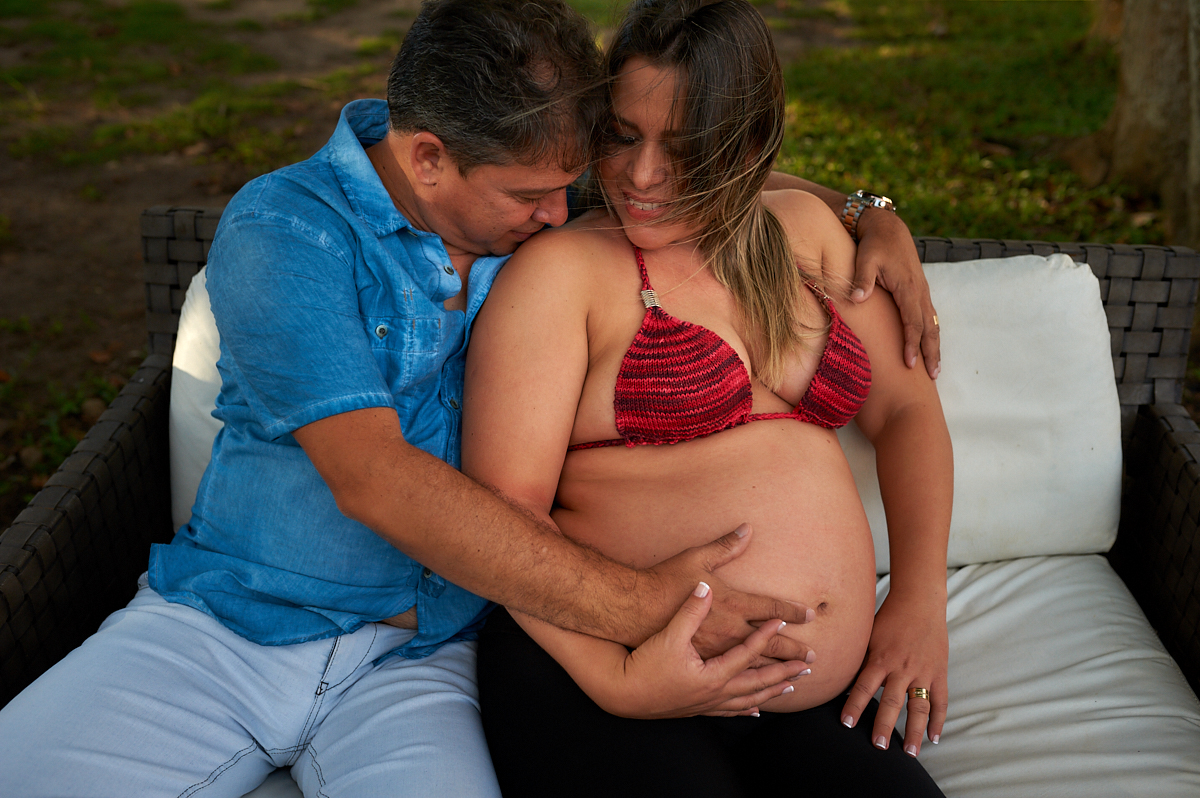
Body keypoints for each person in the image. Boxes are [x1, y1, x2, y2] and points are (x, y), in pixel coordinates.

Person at [0, 1, 940, 795]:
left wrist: (869, 211)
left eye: (570, 184)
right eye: (536, 194)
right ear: (428, 158)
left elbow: (708, 172)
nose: (565, 211)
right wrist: (636, 625)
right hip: (239, 621)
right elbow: (377, 479)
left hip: (427, 652)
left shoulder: (534, 201)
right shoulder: (289, 234)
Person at [463, 1, 953, 795]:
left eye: (685, 148)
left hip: (802, 704)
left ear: (749, 144)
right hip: (599, 668)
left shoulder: (806, 234)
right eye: (622, 134)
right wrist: (618, 678)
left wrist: (921, 601)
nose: (642, 175)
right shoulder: (563, 274)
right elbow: (498, 518)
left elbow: (903, 412)